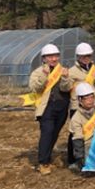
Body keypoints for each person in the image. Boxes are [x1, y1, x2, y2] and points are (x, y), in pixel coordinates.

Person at [27, 44, 73, 175]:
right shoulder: (38, 72)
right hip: (47, 108)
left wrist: (65, 78)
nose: (53, 59)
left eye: (56, 56)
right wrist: (44, 76)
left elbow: (66, 88)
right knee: (47, 133)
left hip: (62, 107)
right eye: (50, 56)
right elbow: (35, 88)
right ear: (44, 58)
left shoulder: (63, 70)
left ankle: (47, 156)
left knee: (54, 133)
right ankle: (43, 162)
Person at [67, 42, 95, 168]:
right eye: (83, 56)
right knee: (75, 132)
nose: (86, 58)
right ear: (78, 57)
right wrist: (64, 78)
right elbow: (66, 87)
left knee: (94, 131)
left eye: (88, 55)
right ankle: (73, 159)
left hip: (94, 105)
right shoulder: (72, 71)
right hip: (78, 106)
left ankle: (94, 156)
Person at [69, 82, 95, 171]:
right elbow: (78, 139)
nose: (90, 100)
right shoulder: (76, 118)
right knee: (89, 164)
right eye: (86, 98)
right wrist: (80, 157)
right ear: (80, 100)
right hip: (89, 143)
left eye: (92, 97)